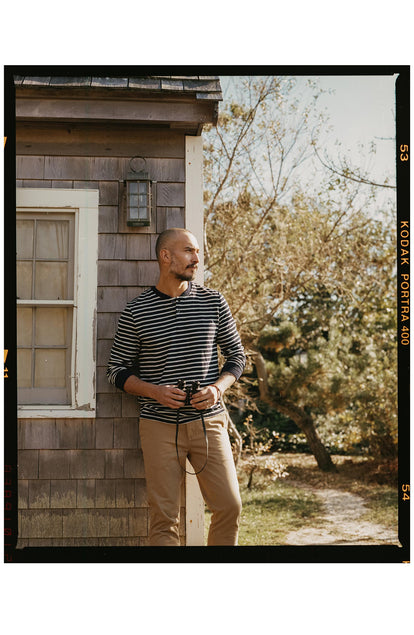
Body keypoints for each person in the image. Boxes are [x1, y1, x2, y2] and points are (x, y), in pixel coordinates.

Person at [107, 228, 246, 546]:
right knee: (164, 519)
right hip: (158, 425)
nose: (197, 258)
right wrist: (155, 391)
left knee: (230, 507)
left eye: (197, 251)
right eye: (188, 251)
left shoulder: (213, 302)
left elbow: (237, 357)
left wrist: (218, 388)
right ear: (165, 255)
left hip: (209, 421)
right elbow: (115, 371)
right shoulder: (136, 311)